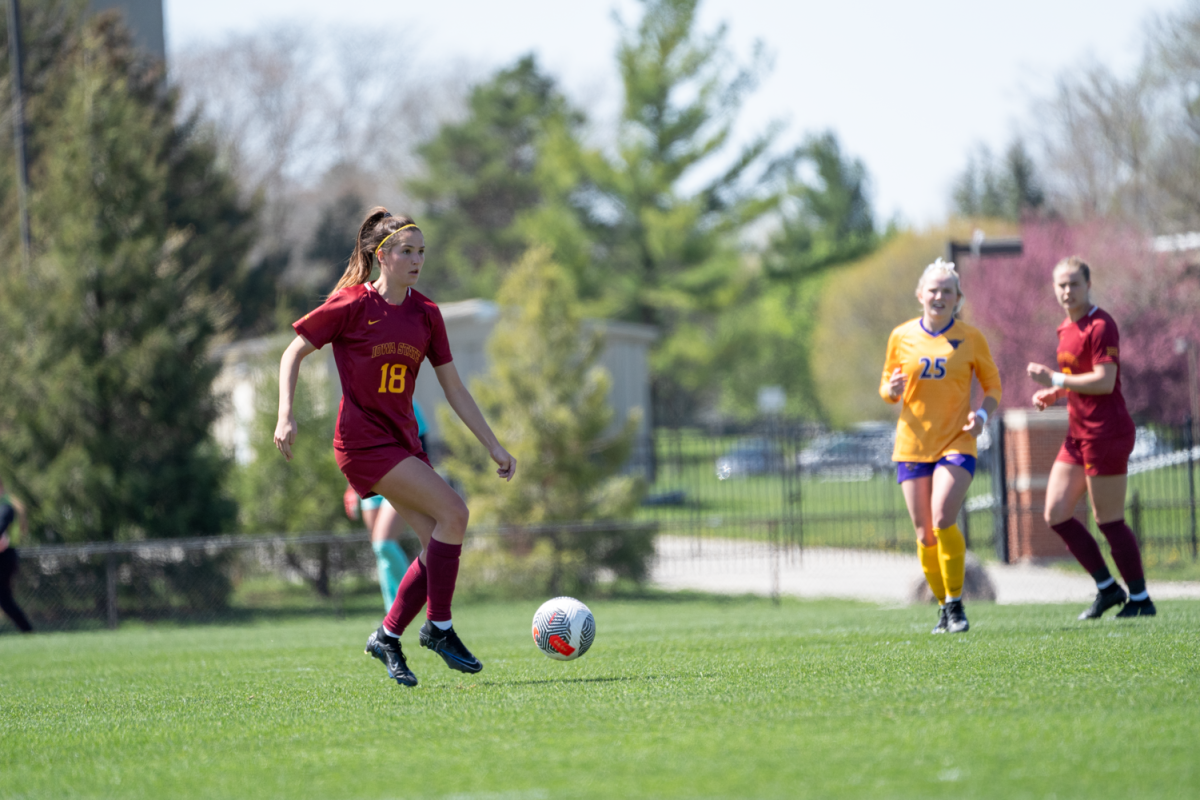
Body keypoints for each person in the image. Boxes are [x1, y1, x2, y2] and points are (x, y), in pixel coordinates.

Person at [275, 208, 516, 687]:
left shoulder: (426, 315)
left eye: (422, 251)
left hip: (403, 441)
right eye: (407, 251)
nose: (416, 259)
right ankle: (439, 628)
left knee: (438, 541)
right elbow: (293, 350)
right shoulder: (352, 305)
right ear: (380, 255)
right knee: (455, 513)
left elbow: (454, 388)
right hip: (363, 443)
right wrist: (285, 413)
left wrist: (492, 443)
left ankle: (388, 637)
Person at [1028, 256, 1154, 619]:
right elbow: (1079, 382)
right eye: (1061, 285)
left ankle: (1142, 599)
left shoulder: (1101, 325)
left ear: (1088, 285)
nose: (1067, 291)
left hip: (1107, 433)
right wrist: (1056, 394)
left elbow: (1104, 381)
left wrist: (1054, 380)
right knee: (1056, 513)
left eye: (1074, 284)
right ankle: (1107, 589)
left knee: (1108, 520)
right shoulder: (1064, 329)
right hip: (1078, 434)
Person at [880, 259, 1001, 634]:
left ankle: (955, 603)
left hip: (957, 440)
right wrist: (892, 390)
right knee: (924, 535)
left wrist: (981, 416)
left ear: (957, 298)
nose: (939, 296)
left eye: (947, 290)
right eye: (933, 289)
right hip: (913, 445)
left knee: (943, 516)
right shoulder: (901, 336)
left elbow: (993, 387)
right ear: (920, 295)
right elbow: (886, 386)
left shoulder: (970, 338)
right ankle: (944, 609)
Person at [343, 399, 425, 609]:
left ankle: (409, 601)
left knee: (384, 543)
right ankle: (392, 611)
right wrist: (350, 487)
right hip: (371, 484)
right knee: (380, 551)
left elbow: (424, 448)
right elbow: (352, 448)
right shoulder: (358, 402)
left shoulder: (405, 402)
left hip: (401, 483)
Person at [0, 477, 34, 633]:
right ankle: (27, 630)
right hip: (8, 556)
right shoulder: (8, 504)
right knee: (5, 599)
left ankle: (27, 630)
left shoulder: (6, 507)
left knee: (5, 599)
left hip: (4, 557)